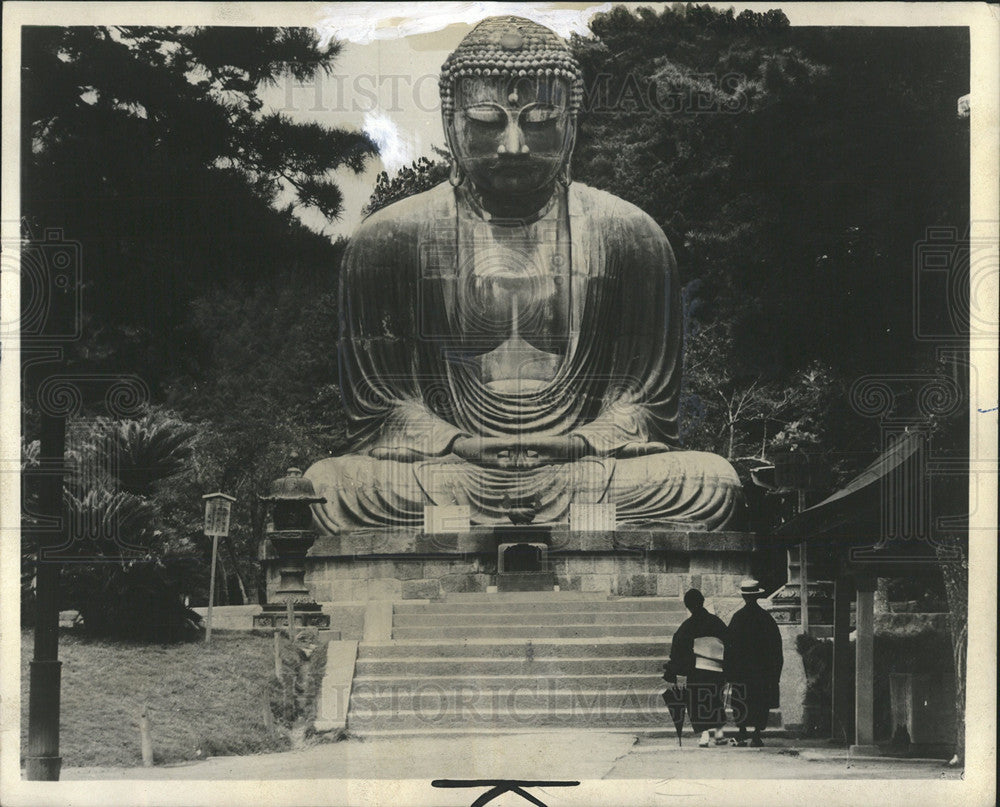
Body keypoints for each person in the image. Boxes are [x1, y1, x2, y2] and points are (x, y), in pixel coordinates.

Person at [305, 16, 743, 531]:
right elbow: (383, 408)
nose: (513, 146)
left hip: (582, 467)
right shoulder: (389, 239)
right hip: (449, 468)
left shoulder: (629, 235)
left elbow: (643, 405)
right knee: (326, 487)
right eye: (488, 123)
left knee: (710, 482)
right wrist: (460, 443)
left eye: (539, 123)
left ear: (572, 124)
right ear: (452, 123)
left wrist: (576, 441)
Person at [663, 589, 728, 747]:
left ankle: (704, 735)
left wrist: (671, 671)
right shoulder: (715, 622)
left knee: (698, 701)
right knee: (716, 699)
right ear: (703, 601)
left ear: (688, 606)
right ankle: (719, 734)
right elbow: (729, 642)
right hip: (716, 668)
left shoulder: (686, 626)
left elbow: (677, 651)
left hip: (697, 670)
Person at [724, 578, 783, 747]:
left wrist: (728, 671)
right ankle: (756, 735)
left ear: (744, 597)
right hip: (762, 671)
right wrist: (775, 672)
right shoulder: (766, 619)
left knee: (741, 700)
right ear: (757, 595)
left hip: (741, 671)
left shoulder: (737, 618)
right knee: (760, 701)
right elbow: (775, 647)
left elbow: (729, 647)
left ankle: (742, 732)